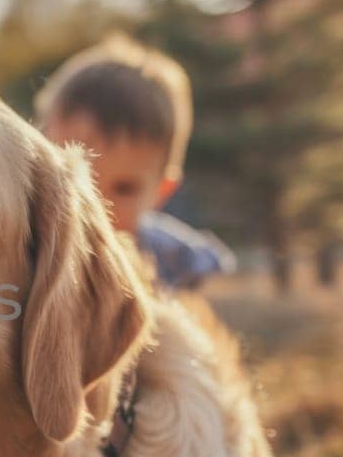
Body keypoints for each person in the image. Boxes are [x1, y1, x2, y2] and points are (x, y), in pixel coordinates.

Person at [34, 34, 236, 290]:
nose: (95, 206)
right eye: (72, 179)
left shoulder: (172, 265)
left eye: (124, 189)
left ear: (162, 191)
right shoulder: (26, 247)